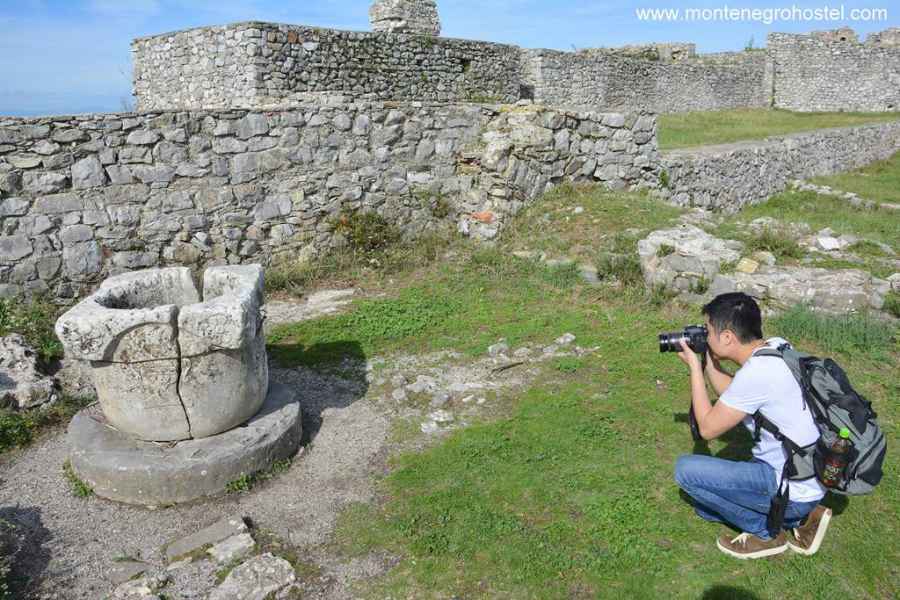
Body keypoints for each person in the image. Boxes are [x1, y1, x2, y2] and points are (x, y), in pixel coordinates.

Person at [672, 292, 832, 559]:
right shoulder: (777, 347)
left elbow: (707, 429)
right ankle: (805, 516)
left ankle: (769, 532)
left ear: (727, 338)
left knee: (686, 474)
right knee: (704, 507)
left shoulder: (756, 375)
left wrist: (694, 369)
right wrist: (709, 358)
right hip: (811, 475)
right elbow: (734, 394)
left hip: (790, 487)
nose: (705, 336)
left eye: (708, 331)